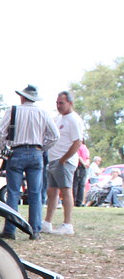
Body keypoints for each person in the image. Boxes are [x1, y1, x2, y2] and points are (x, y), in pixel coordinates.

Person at [0, 84, 59, 240]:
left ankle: (10, 229)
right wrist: (42, 148)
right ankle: (35, 230)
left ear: (23, 97)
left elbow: (0, 133)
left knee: (13, 192)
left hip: (17, 152)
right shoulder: (43, 113)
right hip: (36, 153)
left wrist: (5, 148)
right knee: (36, 193)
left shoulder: (13, 111)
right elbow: (54, 136)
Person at [41, 91, 83, 235]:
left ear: (70, 103)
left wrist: (64, 159)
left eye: (61, 103)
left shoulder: (74, 119)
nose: (58, 106)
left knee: (66, 190)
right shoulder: (58, 119)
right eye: (57, 103)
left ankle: (67, 224)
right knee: (51, 191)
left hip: (64, 161)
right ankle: (47, 222)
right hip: (53, 160)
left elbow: (78, 142)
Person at [73, 140, 89, 206]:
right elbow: (88, 157)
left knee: (76, 184)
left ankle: (75, 201)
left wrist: (83, 164)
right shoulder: (85, 147)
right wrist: (86, 164)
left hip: (79, 166)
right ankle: (79, 201)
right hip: (84, 168)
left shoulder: (78, 147)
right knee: (81, 185)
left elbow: (78, 156)